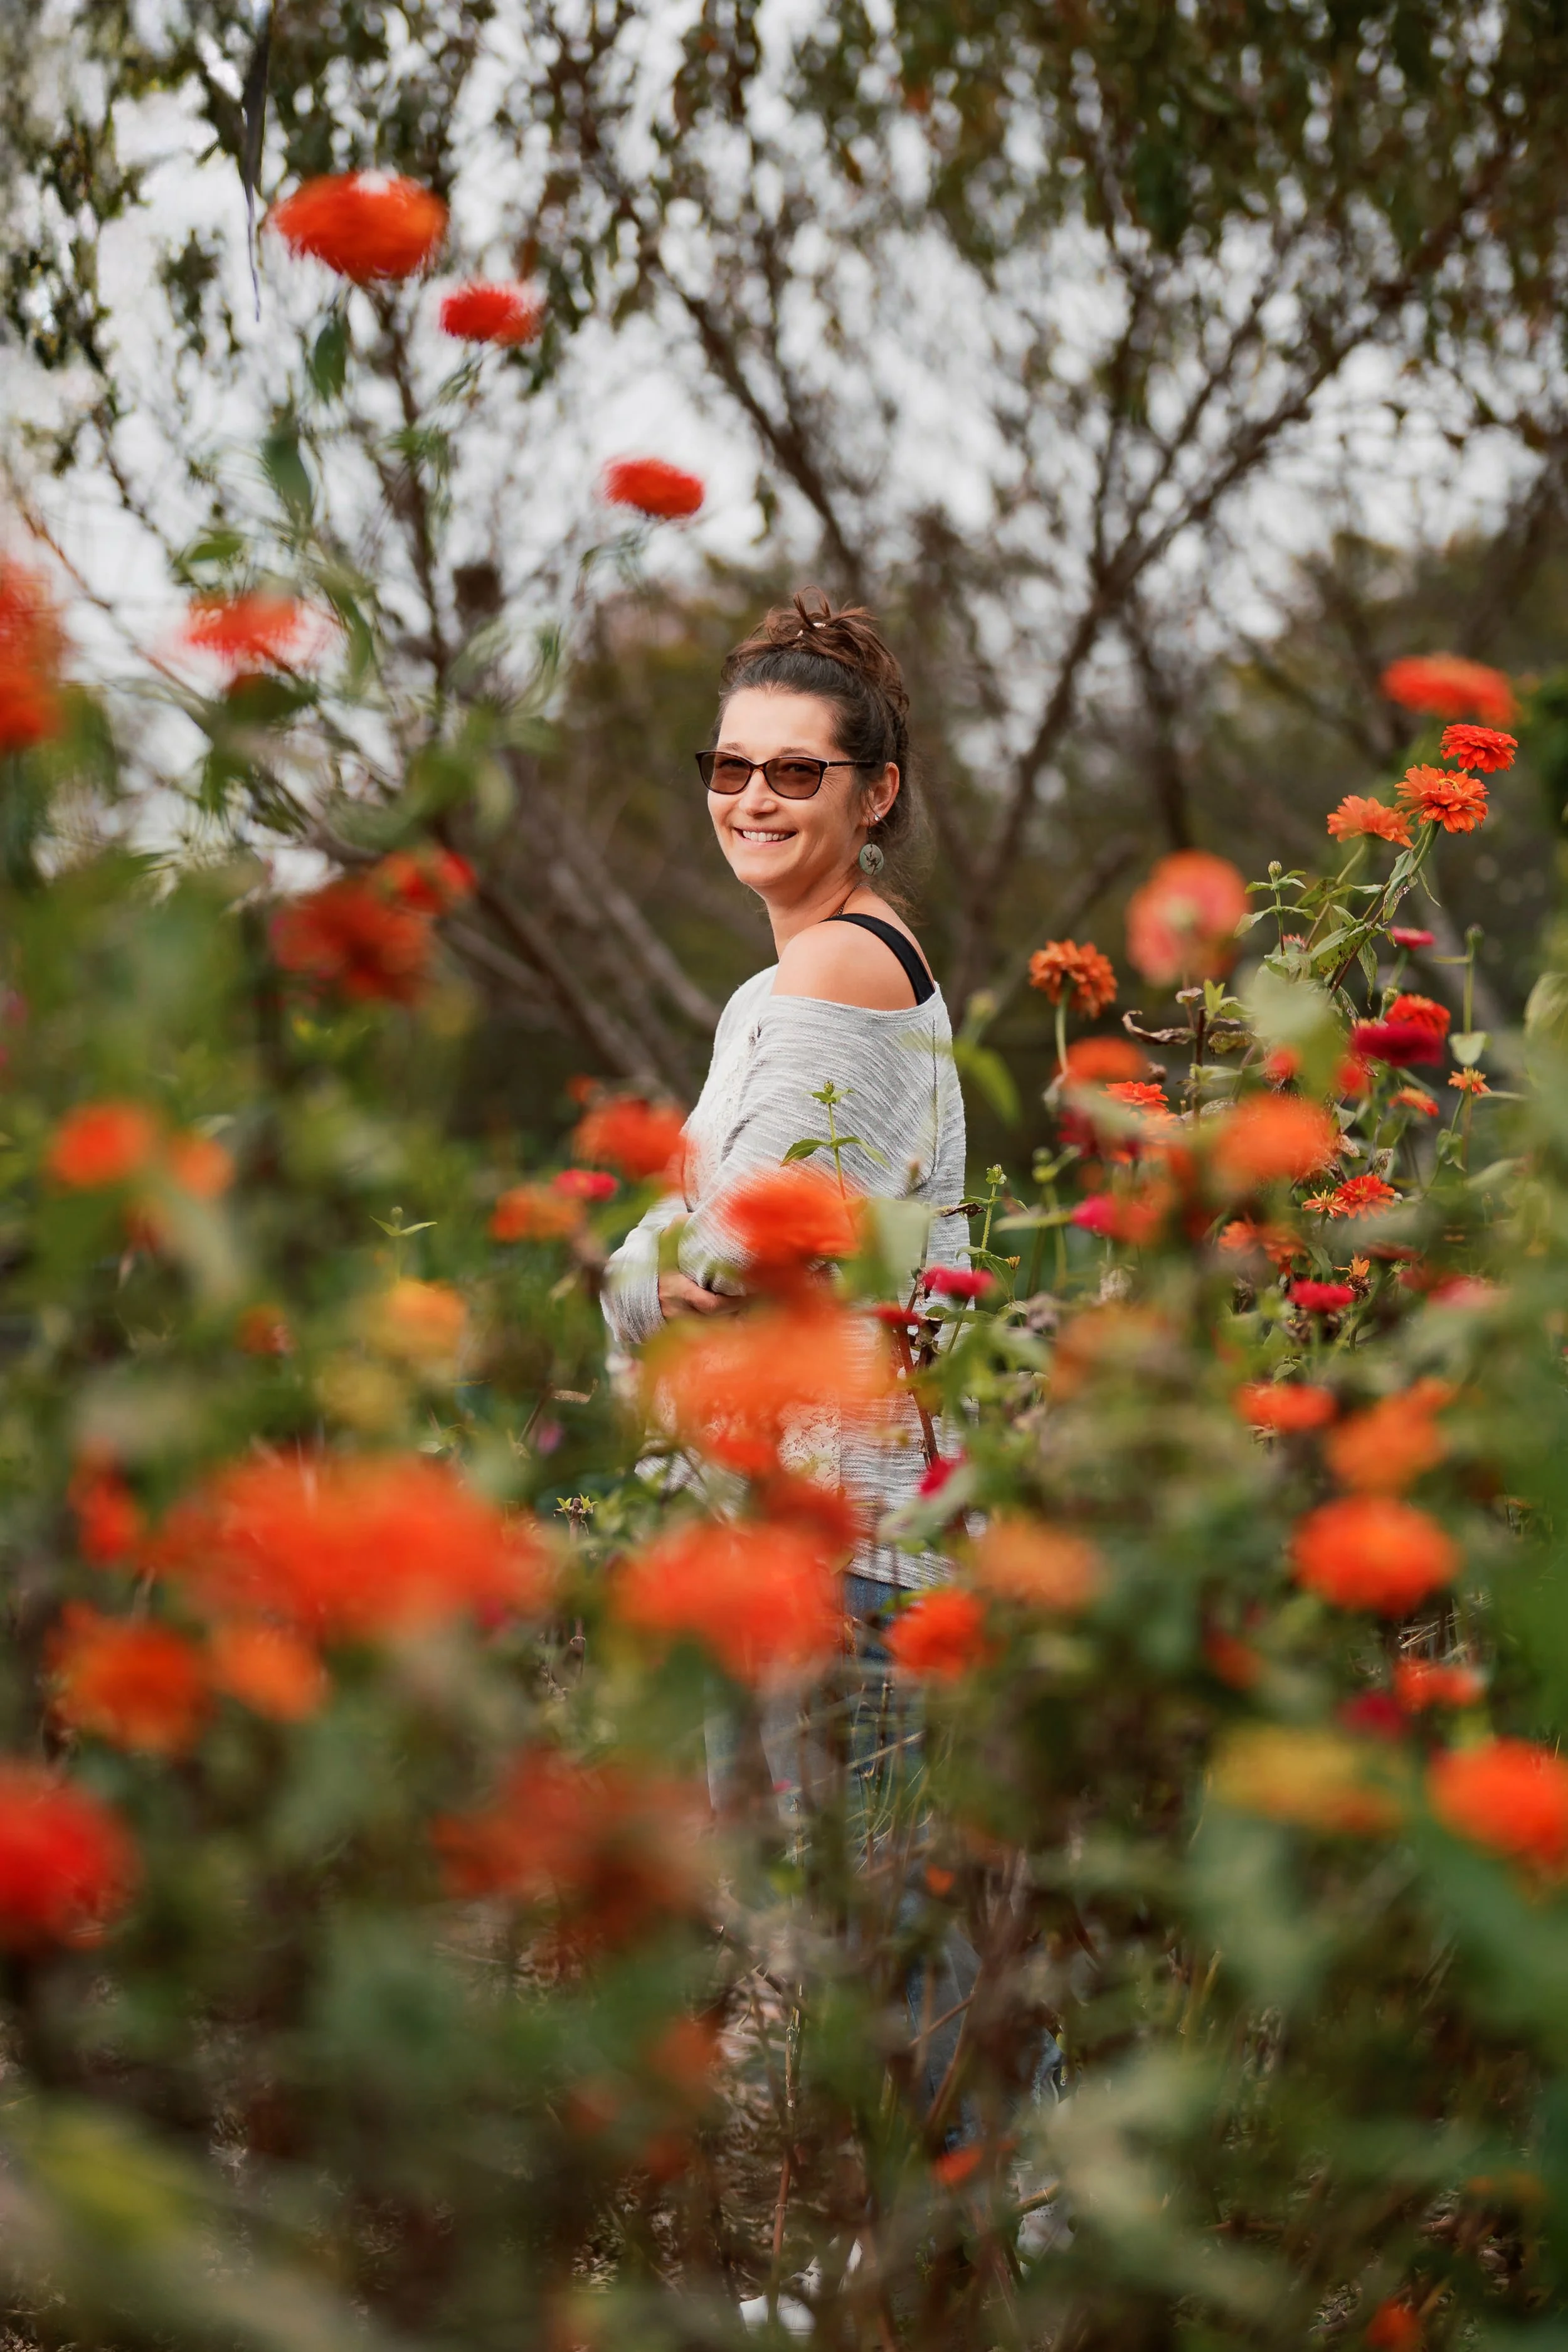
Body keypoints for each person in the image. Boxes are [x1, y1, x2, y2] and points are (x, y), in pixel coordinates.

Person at [601, 586, 968, 1601]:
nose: (752, 797)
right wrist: (649, 1270)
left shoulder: (841, 967)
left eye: (796, 770)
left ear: (877, 792)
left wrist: (629, 1277)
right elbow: (681, 1244)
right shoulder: (771, 990)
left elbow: (712, 1262)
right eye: (731, 767)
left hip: (843, 1548)